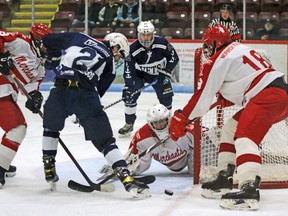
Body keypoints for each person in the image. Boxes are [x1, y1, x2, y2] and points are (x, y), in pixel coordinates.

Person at [168, 24, 288, 210]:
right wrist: (225, 99)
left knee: (245, 136)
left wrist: (181, 119)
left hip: (267, 96)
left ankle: (249, 188)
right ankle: (225, 177)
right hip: (277, 94)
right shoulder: (239, 49)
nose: (207, 50)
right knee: (230, 128)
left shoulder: (217, 60)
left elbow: (202, 97)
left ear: (216, 43)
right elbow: (246, 79)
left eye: (208, 45)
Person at [41, 31, 150, 198]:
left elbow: (48, 39)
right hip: (86, 95)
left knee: (50, 128)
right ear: (114, 45)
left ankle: (49, 167)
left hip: (60, 90)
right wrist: (82, 111)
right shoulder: (111, 66)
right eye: (119, 53)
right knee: (105, 141)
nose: (118, 58)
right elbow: (97, 93)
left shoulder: (79, 37)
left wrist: (54, 58)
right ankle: (125, 177)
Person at [0, 24, 51, 187]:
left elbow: (31, 87)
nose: (48, 48)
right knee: (17, 128)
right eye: (45, 43)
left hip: (6, 92)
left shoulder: (40, 69)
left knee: (16, 128)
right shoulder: (20, 42)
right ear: (36, 40)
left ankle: (2, 159)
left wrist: (35, 98)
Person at [118, 21, 179, 137]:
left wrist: (167, 71)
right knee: (130, 96)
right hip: (140, 75)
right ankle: (129, 123)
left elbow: (174, 58)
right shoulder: (132, 49)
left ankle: (168, 123)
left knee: (167, 98)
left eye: (148, 34)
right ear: (139, 34)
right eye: (143, 35)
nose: (146, 38)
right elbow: (129, 71)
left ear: (153, 34)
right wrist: (129, 87)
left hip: (160, 75)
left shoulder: (162, 43)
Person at [99, 104, 194, 178]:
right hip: (172, 163)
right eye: (156, 122)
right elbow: (136, 160)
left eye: (162, 121)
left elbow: (205, 139)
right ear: (150, 123)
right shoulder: (142, 136)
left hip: (191, 155)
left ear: (168, 119)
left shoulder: (182, 127)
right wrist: (121, 167)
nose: (160, 125)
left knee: (196, 172)